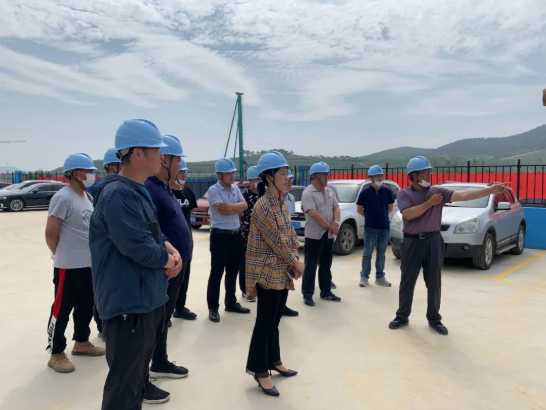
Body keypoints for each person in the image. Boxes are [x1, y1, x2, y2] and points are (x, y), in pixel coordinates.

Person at [90, 119, 183, 408]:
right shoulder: (117, 194)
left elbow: (152, 232)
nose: (162, 157)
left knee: (134, 385)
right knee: (123, 390)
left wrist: (169, 247)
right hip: (128, 306)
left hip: (145, 300)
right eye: (157, 151)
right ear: (138, 153)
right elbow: (137, 246)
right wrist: (169, 260)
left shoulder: (137, 190)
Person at [389, 156, 507, 335]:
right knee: (407, 281)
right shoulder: (405, 194)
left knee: (434, 282)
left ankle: (434, 319)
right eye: (425, 172)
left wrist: (490, 190)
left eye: (430, 172)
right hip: (412, 242)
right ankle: (402, 316)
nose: (429, 175)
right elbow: (409, 214)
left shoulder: (438, 192)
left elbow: (465, 195)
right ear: (414, 175)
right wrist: (429, 203)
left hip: (434, 240)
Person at [245, 151, 305, 397]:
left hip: (280, 270)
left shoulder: (280, 201)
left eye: (287, 173)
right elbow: (276, 242)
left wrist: (294, 258)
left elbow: (289, 235)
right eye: (282, 174)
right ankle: (259, 370)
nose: (287, 178)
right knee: (265, 322)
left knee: (275, 319)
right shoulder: (263, 206)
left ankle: (274, 359)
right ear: (268, 177)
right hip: (266, 272)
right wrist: (295, 263)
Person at [45, 153, 105, 373]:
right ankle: (56, 353)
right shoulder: (63, 197)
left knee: (86, 306)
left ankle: (81, 342)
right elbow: (51, 232)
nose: (92, 175)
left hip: (88, 264)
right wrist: (60, 254)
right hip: (68, 266)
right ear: (76, 173)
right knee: (61, 309)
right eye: (89, 171)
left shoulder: (87, 197)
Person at [144, 135, 191, 382]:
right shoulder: (150, 189)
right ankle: (150, 366)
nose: (180, 165)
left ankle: (160, 360)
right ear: (165, 160)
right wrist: (168, 259)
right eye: (178, 160)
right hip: (166, 267)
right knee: (156, 319)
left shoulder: (163, 187)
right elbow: (150, 232)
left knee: (164, 318)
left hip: (176, 265)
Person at [206, 158, 250, 323]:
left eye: (233, 173)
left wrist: (232, 207)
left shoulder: (235, 189)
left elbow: (245, 206)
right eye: (228, 173)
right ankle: (213, 307)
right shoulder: (213, 190)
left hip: (236, 235)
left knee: (233, 271)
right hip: (220, 237)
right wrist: (237, 208)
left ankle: (230, 302)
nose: (232, 176)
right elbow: (222, 211)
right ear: (220, 175)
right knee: (217, 273)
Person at [87, 147, 122, 341]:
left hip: (102, 245)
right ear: (112, 167)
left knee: (103, 286)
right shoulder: (105, 189)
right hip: (105, 245)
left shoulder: (97, 189)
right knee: (104, 286)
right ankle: (103, 325)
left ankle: (103, 325)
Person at [301, 162, 341, 306]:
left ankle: (326, 292)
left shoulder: (330, 191)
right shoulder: (308, 193)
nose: (326, 177)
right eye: (324, 174)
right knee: (310, 266)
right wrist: (330, 226)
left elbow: (336, 207)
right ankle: (307, 294)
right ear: (315, 176)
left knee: (326, 265)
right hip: (314, 235)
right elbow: (313, 213)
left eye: (326, 174)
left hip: (328, 235)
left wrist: (336, 223)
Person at [357, 165, 394, 288]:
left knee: (381, 254)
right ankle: (364, 276)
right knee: (367, 253)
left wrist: (381, 216)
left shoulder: (387, 191)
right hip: (370, 228)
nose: (379, 178)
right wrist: (370, 216)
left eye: (380, 176)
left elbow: (390, 207)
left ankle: (380, 277)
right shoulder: (365, 193)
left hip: (384, 227)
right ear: (371, 178)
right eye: (377, 176)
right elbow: (359, 209)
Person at [172, 159, 199, 321]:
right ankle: (165, 313)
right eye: (181, 172)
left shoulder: (188, 192)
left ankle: (180, 307)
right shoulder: (166, 192)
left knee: (184, 277)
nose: (184, 175)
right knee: (171, 280)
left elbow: (190, 213)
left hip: (187, 242)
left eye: (185, 172)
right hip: (171, 243)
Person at [239, 165, 261, 302]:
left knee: (259, 264)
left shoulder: (265, 195)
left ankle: (258, 289)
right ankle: (246, 290)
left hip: (262, 236)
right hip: (247, 235)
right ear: (250, 181)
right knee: (246, 264)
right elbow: (240, 215)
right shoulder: (244, 196)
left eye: (259, 179)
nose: (258, 182)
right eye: (255, 179)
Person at [281, 170, 299, 317]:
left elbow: (290, 221)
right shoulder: (270, 200)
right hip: (278, 242)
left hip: (288, 240)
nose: (290, 182)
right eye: (288, 179)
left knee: (287, 275)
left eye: (291, 179)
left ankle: (283, 305)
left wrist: (293, 242)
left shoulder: (291, 198)